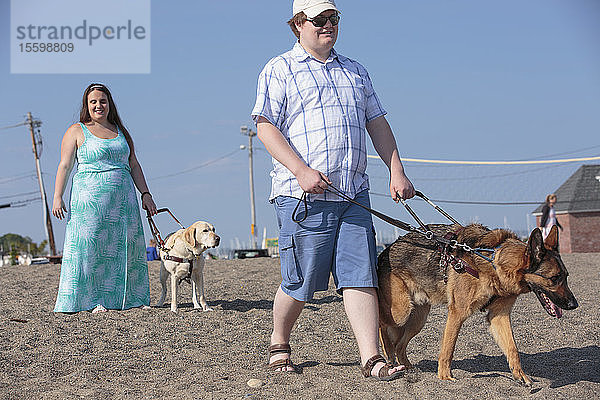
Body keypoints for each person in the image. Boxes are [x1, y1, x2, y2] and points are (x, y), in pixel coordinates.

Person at [251, 0, 415, 380]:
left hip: (354, 193)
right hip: (303, 195)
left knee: (361, 276)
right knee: (303, 280)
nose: (328, 24)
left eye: (334, 18)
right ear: (297, 24)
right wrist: (301, 170)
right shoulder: (280, 69)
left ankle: (371, 357)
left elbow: (377, 123)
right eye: (319, 19)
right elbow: (265, 126)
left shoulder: (356, 71)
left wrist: (396, 170)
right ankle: (279, 340)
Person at [52, 83, 158, 313]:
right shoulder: (76, 130)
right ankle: (90, 301)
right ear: (86, 106)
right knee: (89, 249)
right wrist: (57, 196)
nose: (98, 105)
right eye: (93, 102)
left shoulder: (121, 132)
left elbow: (134, 165)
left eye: (102, 101)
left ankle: (132, 299)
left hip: (123, 204)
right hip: (89, 204)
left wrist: (146, 194)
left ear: (109, 104)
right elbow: (65, 165)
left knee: (125, 248)